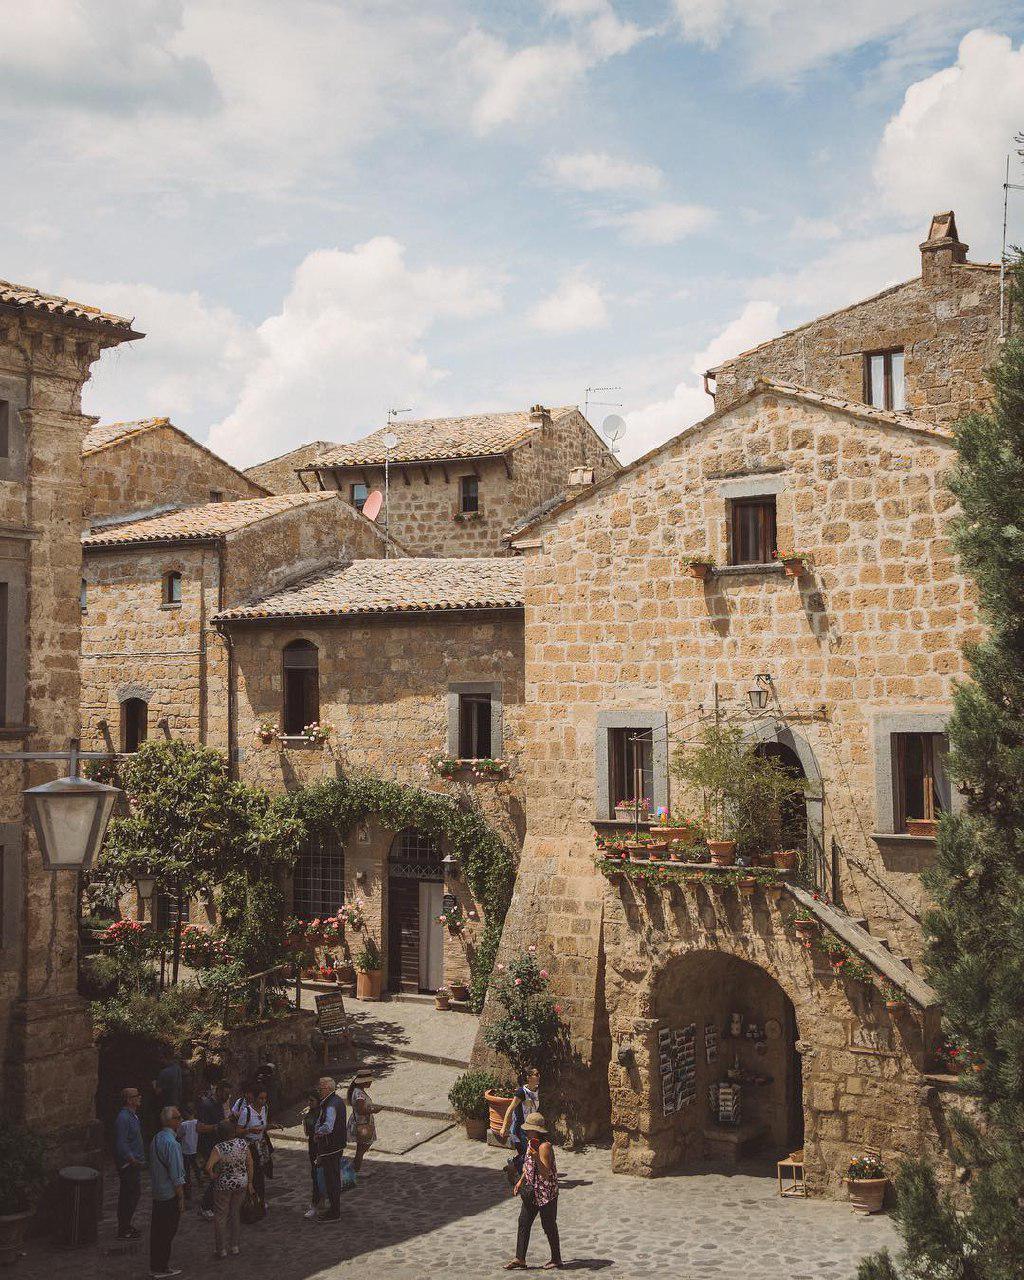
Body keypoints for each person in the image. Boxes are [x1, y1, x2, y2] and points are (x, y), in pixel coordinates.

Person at [506, 1112, 562, 1272]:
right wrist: (520, 1181)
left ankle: (556, 1259)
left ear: (537, 1131)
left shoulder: (544, 1147)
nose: (526, 1132)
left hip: (546, 1194)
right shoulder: (531, 1143)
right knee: (523, 1222)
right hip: (532, 1192)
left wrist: (536, 1156)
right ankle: (520, 1258)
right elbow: (528, 1167)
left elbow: (545, 1173)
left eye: (529, 1130)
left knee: (549, 1225)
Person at [205, 1118, 253, 1260]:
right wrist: (250, 1182)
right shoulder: (243, 1144)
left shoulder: (219, 1148)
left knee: (221, 1216)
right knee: (235, 1213)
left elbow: (208, 1167)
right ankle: (235, 1246)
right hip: (241, 1183)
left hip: (224, 1185)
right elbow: (250, 1163)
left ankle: (221, 1249)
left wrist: (213, 1175)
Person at [149, 1105, 186, 1280]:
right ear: (171, 1121)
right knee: (167, 1232)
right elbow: (176, 1175)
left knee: (157, 1232)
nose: (180, 1120)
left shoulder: (157, 1138)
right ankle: (161, 1267)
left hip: (158, 1192)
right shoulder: (172, 1144)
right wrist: (181, 1197)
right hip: (169, 1194)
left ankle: (156, 1265)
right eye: (178, 1118)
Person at [313, 1076, 346, 1222]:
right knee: (333, 1178)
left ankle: (334, 1211)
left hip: (330, 1147)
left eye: (320, 1088)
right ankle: (334, 1208)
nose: (319, 1091)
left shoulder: (331, 1105)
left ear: (327, 1088)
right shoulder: (336, 1101)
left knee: (331, 1180)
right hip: (336, 1145)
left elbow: (328, 1126)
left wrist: (317, 1132)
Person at [114, 1086, 145, 1240]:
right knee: (128, 1196)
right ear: (128, 1100)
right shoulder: (123, 1118)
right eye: (136, 1095)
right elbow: (121, 1143)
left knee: (133, 1194)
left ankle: (126, 1225)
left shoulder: (132, 1116)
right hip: (129, 1165)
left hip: (134, 1163)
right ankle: (123, 1228)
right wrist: (131, 1159)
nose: (140, 1097)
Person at [197, 1082, 231, 1220]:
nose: (227, 1097)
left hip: (218, 1145)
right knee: (215, 1175)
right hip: (208, 1146)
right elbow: (200, 1127)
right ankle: (205, 1206)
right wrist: (218, 1126)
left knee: (221, 1174)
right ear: (218, 1091)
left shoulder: (220, 1105)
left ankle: (215, 1203)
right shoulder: (206, 1105)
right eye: (226, 1093)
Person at [233, 1083, 270, 1210]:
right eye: (260, 1098)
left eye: (265, 1098)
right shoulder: (247, 1112)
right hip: (250, 1146)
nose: (263, 1101)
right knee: (253, 1174)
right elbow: (238, 1131)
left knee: (261, 1173)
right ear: (254, 1098)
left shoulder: (265, 1109)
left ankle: (261, 1199)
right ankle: (252, 1200)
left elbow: (263, 1125)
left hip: (261, 1145)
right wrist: (249, 1130)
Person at [500, 1067, 540, 1175]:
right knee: (527, 1153)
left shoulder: (537, 1090)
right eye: (536, 1074)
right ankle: (517, 1170)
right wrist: (504, 1127)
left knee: (529, 1152)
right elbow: (510, 1108)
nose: (538, 1076)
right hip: (519, 1128)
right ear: (528, 1077)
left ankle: (514, 1165)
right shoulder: (521, 1092)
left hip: (531, 1127)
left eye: (538, 1074)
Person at [346, 1069, 377, 1174]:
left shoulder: (357, 1091)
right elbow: (361, 1110)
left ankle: (355, 1169)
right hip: (362, 1123)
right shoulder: (359, 1094)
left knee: (361, 1148)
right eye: (369, 1080)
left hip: (360, 1123)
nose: (371, 1082)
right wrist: (374, 1110)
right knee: (362, 1148)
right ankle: (354, 1169)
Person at [301, 1089, 324, 1220]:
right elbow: (307, 1132)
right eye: (308, 1100)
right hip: (313, 1147)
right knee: (315, 1175)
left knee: (319, 1176)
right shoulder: (310, 1113)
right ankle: (318, 1203)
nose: (309, 1103)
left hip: (320, 1147)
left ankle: (318, 1203)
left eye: (312, 1100)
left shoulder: (321, 1113)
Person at [177, 1105, 199, 1202]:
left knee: (186, 1170)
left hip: (185, 1149)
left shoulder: (183, 1124)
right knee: (195, 1165)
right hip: (194, 1147)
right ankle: (199, 1179)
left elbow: (179, 1135)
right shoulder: (197, 1122)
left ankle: (188, 1190)